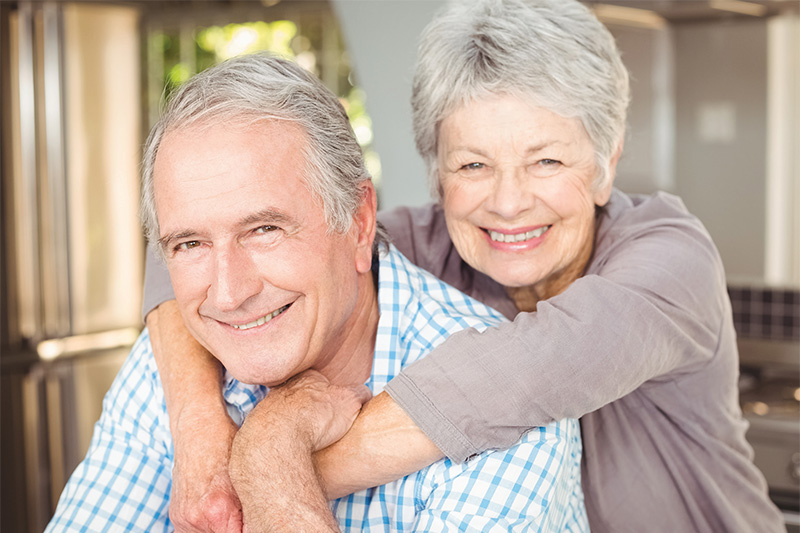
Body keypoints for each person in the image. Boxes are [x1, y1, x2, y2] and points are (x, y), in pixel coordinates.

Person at [143, 0, 785, 532]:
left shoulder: (670, 256)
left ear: (605, 164)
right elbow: (190, 262)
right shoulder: (403, 245)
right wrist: (200, 437)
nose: (508, 203)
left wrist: (267, 452)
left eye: (547, 162)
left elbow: (532, 368)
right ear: (435, 172)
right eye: (473, 165)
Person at [45, 52, 588, 532]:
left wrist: (269, 454)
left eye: (264, 230)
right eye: (189, 243)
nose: (229, 293)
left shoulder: (509, 420)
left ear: (358, 223)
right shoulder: (180, 363)